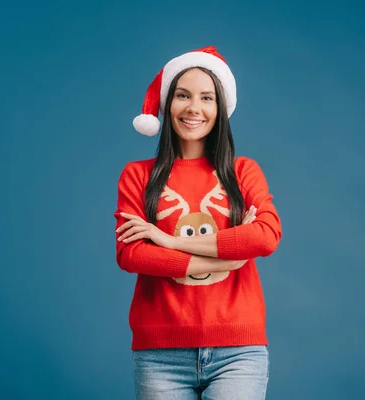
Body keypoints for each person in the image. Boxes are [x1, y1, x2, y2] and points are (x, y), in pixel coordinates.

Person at [114, 45, 282, 400]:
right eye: (182, 95)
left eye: (207, 97)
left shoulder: (243, 172)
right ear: (167, 104)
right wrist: (227, 255)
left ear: (220, 108)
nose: (194, 108)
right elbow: (132, 254)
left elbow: (265, 238)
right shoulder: (137, 175)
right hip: (160, 353)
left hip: (238, 351)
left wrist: (168, 241)